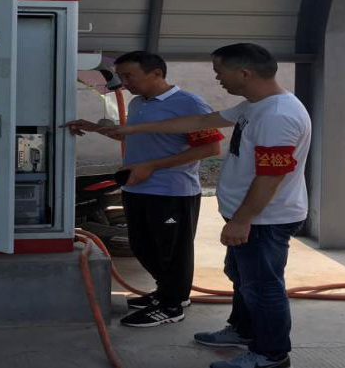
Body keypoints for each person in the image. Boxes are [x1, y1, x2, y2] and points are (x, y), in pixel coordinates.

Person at [99, 44, 311, 368]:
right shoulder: (254, 106)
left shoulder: (278, 115)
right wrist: (133, 128)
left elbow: (271, 176)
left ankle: (270, 355)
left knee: (262, 287)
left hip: (264, 218)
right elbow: (199, 120)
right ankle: (242, 330)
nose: (217, 78)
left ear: (244, 73)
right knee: (241, 277)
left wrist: (242, 220)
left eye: (219, 71)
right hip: (249, 215)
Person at [65, 51, 223, 327]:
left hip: (172, 191)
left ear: (156, 74)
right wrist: (94, 128)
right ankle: (166, 293)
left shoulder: (190, 104)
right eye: (121, 77)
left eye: (129, 76)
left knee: (171, 250)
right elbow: (138, 138)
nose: (124, 83)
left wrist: (152, 166)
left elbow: (210, 148)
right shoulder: (139, 103)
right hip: (137, 187)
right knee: (142, 247)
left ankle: (172, 305)